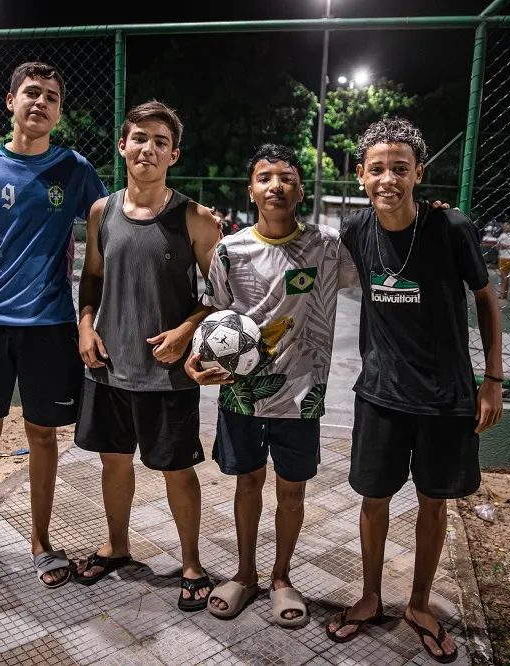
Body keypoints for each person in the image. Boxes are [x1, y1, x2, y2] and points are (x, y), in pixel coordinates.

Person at [328, 117, 504, 663]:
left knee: (434, 502)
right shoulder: (356, 231)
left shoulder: (451, 227)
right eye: (377, 169)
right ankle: (370, 597)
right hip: (380, 393)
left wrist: (492, 379)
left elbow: (486, 298)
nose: (388, 179)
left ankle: (420, 603)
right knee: (373, 498)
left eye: (400, 168)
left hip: (444, 396)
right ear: (361, 175)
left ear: (418, 173)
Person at [0, 61, 108, 590]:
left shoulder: (75, 169)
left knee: (43, 435)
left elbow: (114, 225)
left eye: (52, 97)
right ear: (11, 101)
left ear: (59, 112)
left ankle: (40, 542)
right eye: (32, 92)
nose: (41, 102)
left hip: (50, 326)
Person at [185, 144, 359, 626]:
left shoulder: (327, 246)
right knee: (247, 483)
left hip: (303, 393)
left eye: (287, 178)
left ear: (301, 190)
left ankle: (282, 578)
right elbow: (213, 317)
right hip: (242, 393)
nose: (276, 186)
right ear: (251, 190)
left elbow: (376, 258)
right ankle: (245, 574)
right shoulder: (230, 250)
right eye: (265, 177)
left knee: (292, 491)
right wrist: (195, 362)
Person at [74, 100, 222, 611]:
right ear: (123, 145)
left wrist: (186, 330)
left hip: (167, 372)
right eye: (139, 138)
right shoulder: (102, 211)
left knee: (177, 470)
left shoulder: (195, 218)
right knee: (114, 463)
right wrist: (85, 325)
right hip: (109, 366)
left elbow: (222, 294)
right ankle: (116, 546)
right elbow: (92, 277)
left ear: (173, 155)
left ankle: (192, 564)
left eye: (161, 142)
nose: (148, 149)